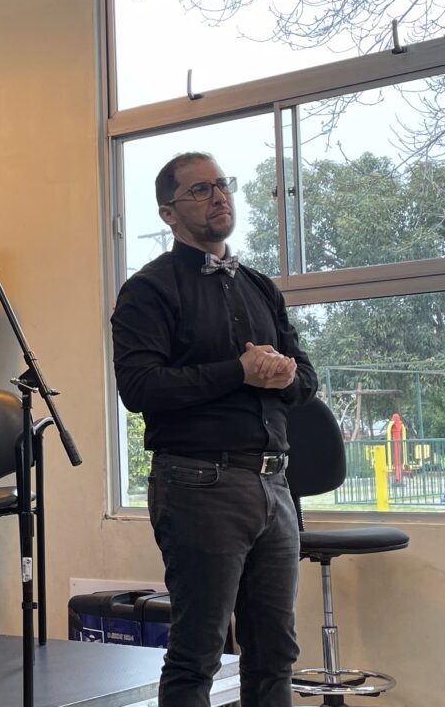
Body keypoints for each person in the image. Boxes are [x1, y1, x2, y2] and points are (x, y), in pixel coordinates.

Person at [111, 152, 318, 707]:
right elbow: (139, 388)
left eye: (222, 185)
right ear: (168, 213)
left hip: (274, 483)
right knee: (197, 653)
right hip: (198, 483)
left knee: (275, 654)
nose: (219, 196)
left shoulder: (259, 286)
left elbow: (307, 379)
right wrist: (238, 372)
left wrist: (286, 376)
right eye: (200, 190)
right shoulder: (148, 289)